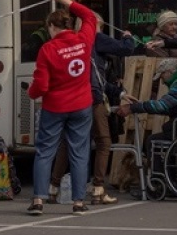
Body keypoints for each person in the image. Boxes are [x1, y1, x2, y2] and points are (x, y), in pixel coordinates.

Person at [48, 15, 136, 205]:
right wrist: (128, 36)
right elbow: (126, 49)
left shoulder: (75, 42)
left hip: (72, 98)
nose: (102, 30)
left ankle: (53, 188)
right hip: (92, 100)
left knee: (67, 142)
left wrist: (120, 94)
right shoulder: (95, 38)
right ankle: (98, 189)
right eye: (101, 26)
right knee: (104, 142)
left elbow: (98, 78)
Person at [26, 0, 98, 215]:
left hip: (55, 107)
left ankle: (38, 199)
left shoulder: (47, 49)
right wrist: (67, 2)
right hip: (82, 105)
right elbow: (90, 17)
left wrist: (31, 91)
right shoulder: (84, 40)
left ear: (52, 27)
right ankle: (78, 202)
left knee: (45, 152)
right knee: (79, 152)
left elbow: (41, 86)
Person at [117, 58, 177, 147]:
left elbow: (161, 106)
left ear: (169, 72)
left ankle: (158, 164)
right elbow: (173, 108)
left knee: (152, 141)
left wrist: (133, 107)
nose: (162, 82)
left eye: (162, 77)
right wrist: (140, 106)